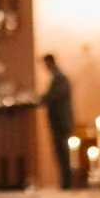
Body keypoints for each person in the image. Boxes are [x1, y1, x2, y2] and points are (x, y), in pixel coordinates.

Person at [40, 53, 75, 189]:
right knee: (60, 153)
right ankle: (65, 182)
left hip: (61, 122)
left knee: (63, 153)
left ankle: (67, 183)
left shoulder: (60, 78)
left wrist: (40, 99)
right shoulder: (57, 78)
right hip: (59, 122)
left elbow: (54, 96)